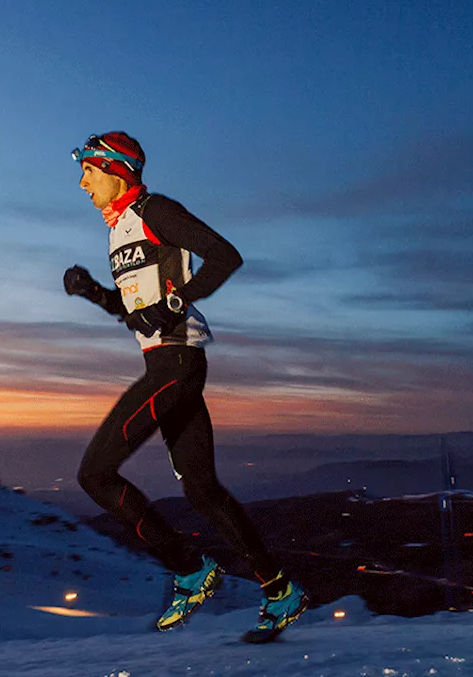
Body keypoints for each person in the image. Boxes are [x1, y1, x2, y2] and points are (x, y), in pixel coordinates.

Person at [63, 131, 308, 642]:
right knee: (202, 490)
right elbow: (137, 314)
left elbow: (224, 256)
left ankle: (190, 570)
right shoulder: (118, 230)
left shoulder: (155, 210)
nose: (82, 183)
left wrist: (177, 302)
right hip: (169, 362)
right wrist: (93, 294)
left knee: (94, 475)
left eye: (88, 171)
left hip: (175, 364)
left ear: (115, 169)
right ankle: (281, 590)